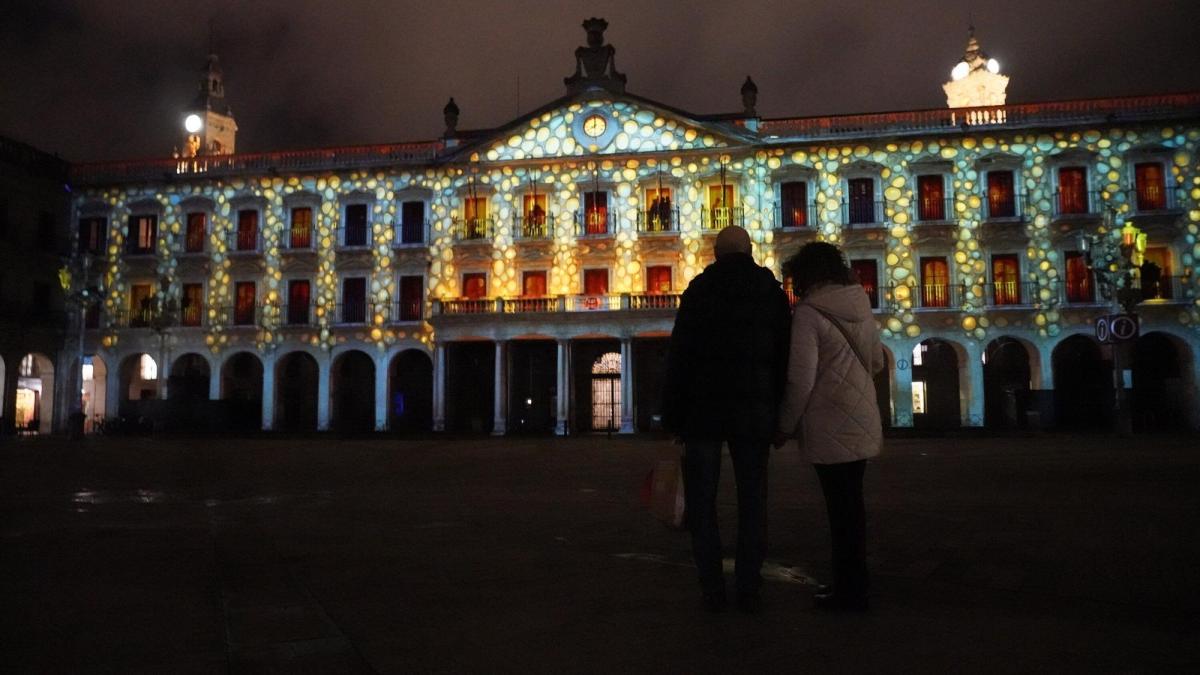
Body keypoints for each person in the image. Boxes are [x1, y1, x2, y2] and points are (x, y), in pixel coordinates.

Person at [663, 226, 791, 613]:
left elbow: (679, 357)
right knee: (753, 501)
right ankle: (748, 588)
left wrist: (674, 416)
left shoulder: (698, 291)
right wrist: (780, 413)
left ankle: (712, 589)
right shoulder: (769, 292)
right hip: (753, 410)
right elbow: (783, 358)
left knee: (702, 503)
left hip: (702, 411)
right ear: (749, 251)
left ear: (716, 253)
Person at [776, 242, 885, 611]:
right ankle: (855, 584)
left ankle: (848, 591)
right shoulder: (860, 304)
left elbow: (801, 379)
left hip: (828, 422)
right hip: (861, 417)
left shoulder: (808, 313)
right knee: (853, 508)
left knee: (840, 513)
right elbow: (876, 361)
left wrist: (785, 424)